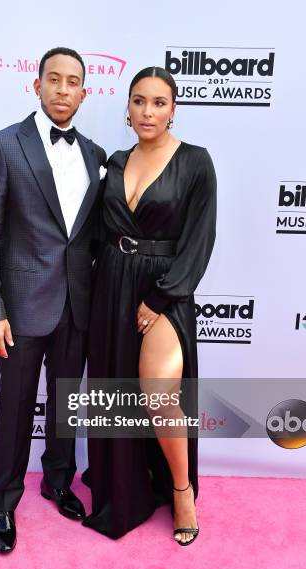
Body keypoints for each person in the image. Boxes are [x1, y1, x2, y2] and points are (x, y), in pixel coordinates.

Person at [0, 47, 106, 554]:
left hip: (78, 304)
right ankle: (3, 502)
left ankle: (57, 481)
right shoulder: (2, 146)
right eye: (55, 79)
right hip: (22, 306)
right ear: (37, 85)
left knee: (66, 403)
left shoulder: (94, 154)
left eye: (74, 82)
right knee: (14, 407)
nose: (63, 90)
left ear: (85, 92)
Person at [82, 66, 217, 544]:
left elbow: (200, 241)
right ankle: (124, 482)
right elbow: (96, 234)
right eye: (139, 101)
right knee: (118, 394)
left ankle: (182, 491)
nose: (148, 111)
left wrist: (160, 297)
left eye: (159, 102)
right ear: (128, 107)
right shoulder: (115, 162)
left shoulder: (196, 162)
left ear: (174, 108)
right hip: (112, 286)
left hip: (167, 288)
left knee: (159, 395)